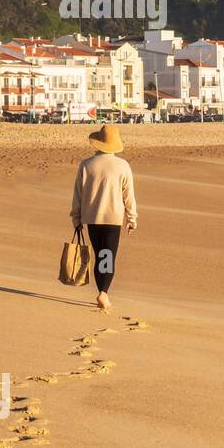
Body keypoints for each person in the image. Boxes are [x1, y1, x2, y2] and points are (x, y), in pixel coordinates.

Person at [70, 124, 138, 312]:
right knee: (106, 256)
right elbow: (128, 195)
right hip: (112, 218)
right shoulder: (122, 166)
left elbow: (78, 194)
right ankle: (103, 292)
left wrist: (76, 218)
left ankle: (102, 291)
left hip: (92, 218)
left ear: (98, 143)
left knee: (100, 254)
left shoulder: (86, 165)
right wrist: (132, 218)